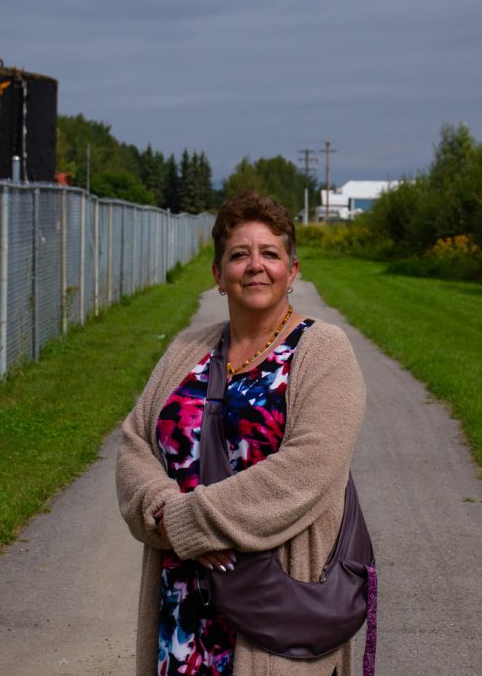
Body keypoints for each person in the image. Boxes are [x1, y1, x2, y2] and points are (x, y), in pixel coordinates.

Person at [116, 190, 366, 675]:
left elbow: (310, 470)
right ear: (217, 275)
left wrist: (194, 521)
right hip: (184, 614)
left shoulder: (323, 351)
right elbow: (135, 444)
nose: (256, 266)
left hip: (274, 611)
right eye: (239, 255)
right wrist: (165, 513)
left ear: (292, 272)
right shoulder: (188, 349)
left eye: (270, 254)